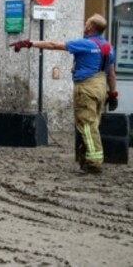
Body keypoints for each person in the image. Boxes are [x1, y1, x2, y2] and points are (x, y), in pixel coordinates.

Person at [12, 14, 117, 174]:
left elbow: (53, 45)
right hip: (101, 86)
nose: (84, 24)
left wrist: (30, 43)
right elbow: (111, 74)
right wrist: (113, 93)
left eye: (86, 22)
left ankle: (94, 161)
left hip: (86, 87)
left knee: (87, 125)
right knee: (93, 124)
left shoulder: (85, 43)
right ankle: (87, 158)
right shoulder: (108, 48)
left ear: (90, 27)